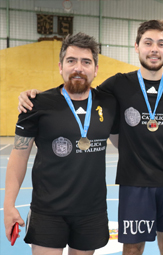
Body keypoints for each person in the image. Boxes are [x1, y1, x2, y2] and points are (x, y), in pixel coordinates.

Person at [17, 20, 163, 255]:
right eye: (148, 42)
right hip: (134, 183)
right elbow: (79, 92)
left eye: (161, 44)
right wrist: (35, 96)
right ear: (136, 46)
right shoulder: (118, 84)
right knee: (132, 249)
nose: (154, 49)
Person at [4, 32, 118, 255]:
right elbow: (19, 155)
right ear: (60, 66)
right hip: (47, 211)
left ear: (95, 69)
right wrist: (9, 205)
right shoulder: (36, 104)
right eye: (71, 61)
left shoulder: (109, 104)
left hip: (91, 212)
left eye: (86, 62)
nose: (78, 67)